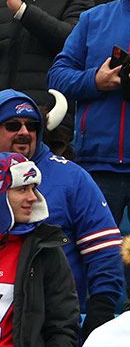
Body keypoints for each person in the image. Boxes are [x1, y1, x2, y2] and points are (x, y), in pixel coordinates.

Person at [0, 89, 121, 333]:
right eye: (13, 125)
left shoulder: (71, 178)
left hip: (52, 324)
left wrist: (101, 310)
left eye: (32, 126)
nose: (24, 132)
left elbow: (105, 251)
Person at [0, 154, 79, 347]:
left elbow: (64, 325)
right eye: (22, 189)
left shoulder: (46, 251)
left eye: (35, 188)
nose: (32, 198)